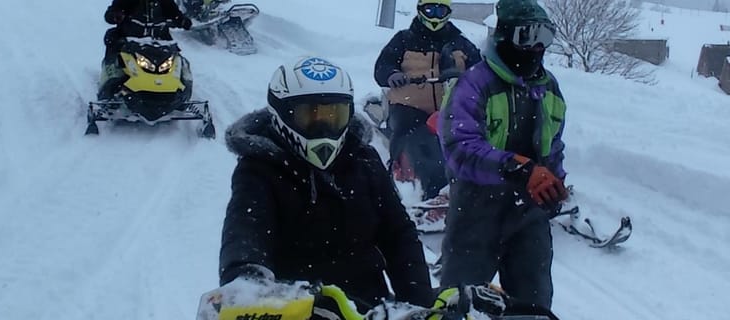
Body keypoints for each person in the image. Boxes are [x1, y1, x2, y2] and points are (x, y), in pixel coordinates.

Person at [218, 56, 435, 310]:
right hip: (293, 307)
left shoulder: (363, 160)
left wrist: (418, 302)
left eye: (334, 116)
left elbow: (398, 234)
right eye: (309, 116)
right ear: (281, 114)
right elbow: (245, 233)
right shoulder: (259, 169)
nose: (323, 128)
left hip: (368, 308)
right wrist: (248, 282)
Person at [437, 0, 568, 314]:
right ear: (505, 36)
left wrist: (555, 183)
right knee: (459, 304)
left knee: (533, 306)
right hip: (476, 212)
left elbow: (554, 146)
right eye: (527, 36)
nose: (536, 47)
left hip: (529, 215)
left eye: (545, 37)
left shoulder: (548, 88)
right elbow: (460, 147)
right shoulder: (474, 84)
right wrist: (518, 168)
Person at [373, 0, 481, 204]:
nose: (435, 16)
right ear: (420, 11)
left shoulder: (460, 43)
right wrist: (392, 74)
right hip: (409, 105)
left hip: (451, 109)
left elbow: (481, 71)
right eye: (429, 10)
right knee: (413, 139)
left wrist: (469, 79)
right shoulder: (404, 39)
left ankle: (472, 190)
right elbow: (382, 66)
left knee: (468, 143)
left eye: (440, 10)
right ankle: (403, 178)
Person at [98, 0, 194, 100]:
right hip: (131, 38)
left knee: (179, 60)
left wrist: (183, 21)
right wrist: (114, 15)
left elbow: (174, 13)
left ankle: (181, 88)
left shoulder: (164, 2)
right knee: (113, 44)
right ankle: (110, 83)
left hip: (160, 40)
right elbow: (111, 12)